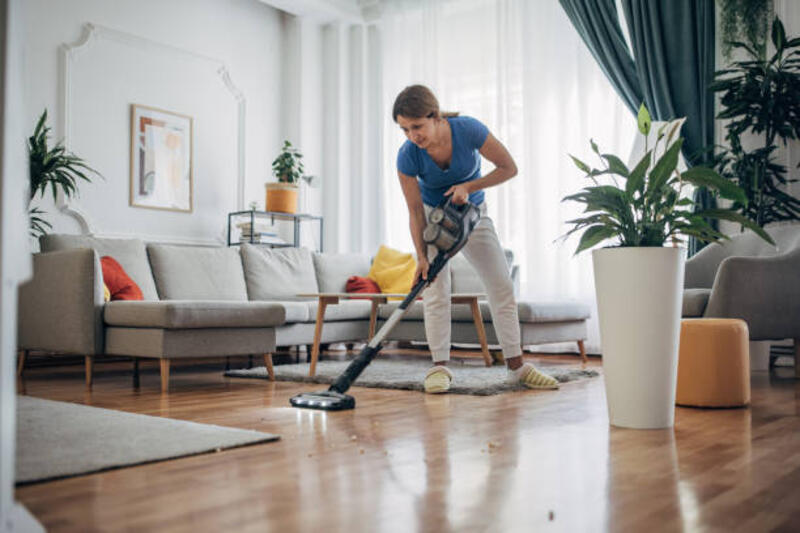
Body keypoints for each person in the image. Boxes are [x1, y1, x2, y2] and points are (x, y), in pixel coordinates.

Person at [393, 84, 559, 393]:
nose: (413, 135)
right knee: (435, 289)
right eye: (405, 130)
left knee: (500, 283)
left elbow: (509, 168)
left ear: (435, 115)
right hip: (433, 217)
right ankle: (439, 367)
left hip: (473, 212)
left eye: (417, 126)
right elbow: (415, 211)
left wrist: (469, 186)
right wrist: (421, 256)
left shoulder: (468, 130)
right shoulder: (408, 156)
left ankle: (516, 367)